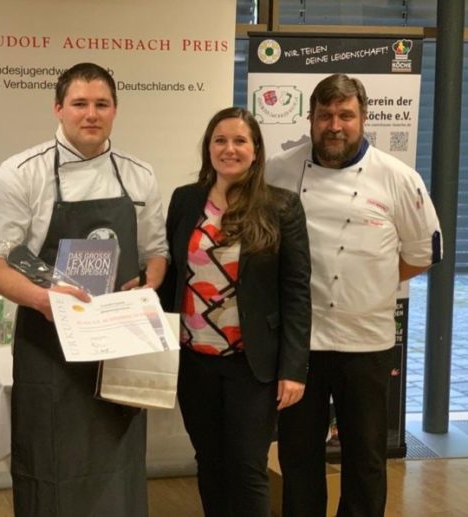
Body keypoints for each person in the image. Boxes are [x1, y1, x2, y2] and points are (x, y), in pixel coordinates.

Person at [0, 62, 168, 516]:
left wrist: (146, 285)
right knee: (49, 459)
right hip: (49, 347)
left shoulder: (139, 175)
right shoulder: (22, 172)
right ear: (58, 108)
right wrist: (43, 301)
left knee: (117, 464)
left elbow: (156, 253)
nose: (91, 114)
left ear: (115, 111)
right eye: (80, 104)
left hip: (118, 346)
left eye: (101, 104)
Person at [265, 73, 442, 517]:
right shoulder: (278, 171)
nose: (334, 125)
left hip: (366, 342)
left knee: (365, 459)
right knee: (298, 456)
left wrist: (374, 287)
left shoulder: (398, 177)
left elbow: (423, 254)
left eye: (346, 115)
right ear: (310, 118)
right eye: (325, 115)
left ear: (364, 118)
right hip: (299, 345)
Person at [159, 107, 311, 517]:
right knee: (209, 462)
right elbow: (171, 274)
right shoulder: (185, 200)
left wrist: (294, 368)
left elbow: (296, 292)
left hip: (253, 364)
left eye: (240, 141)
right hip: (194, 362)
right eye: (220, 140)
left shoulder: (282, 207)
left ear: (256, 151)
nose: (230, 149)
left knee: (247, 467)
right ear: (208, 148)